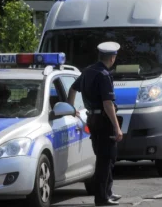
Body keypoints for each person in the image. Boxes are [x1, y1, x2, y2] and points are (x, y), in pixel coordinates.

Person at [67, 41, 123, 206]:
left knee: (105, 157)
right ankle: (102, 198)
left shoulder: (88, 71)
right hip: (104, 121)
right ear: (112, 58)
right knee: (106, 159)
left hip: (92, 119)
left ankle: (107, 192)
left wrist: (71, 108)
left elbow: (72, 89)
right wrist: (117, 127)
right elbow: (107, 104)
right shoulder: (104, 75)